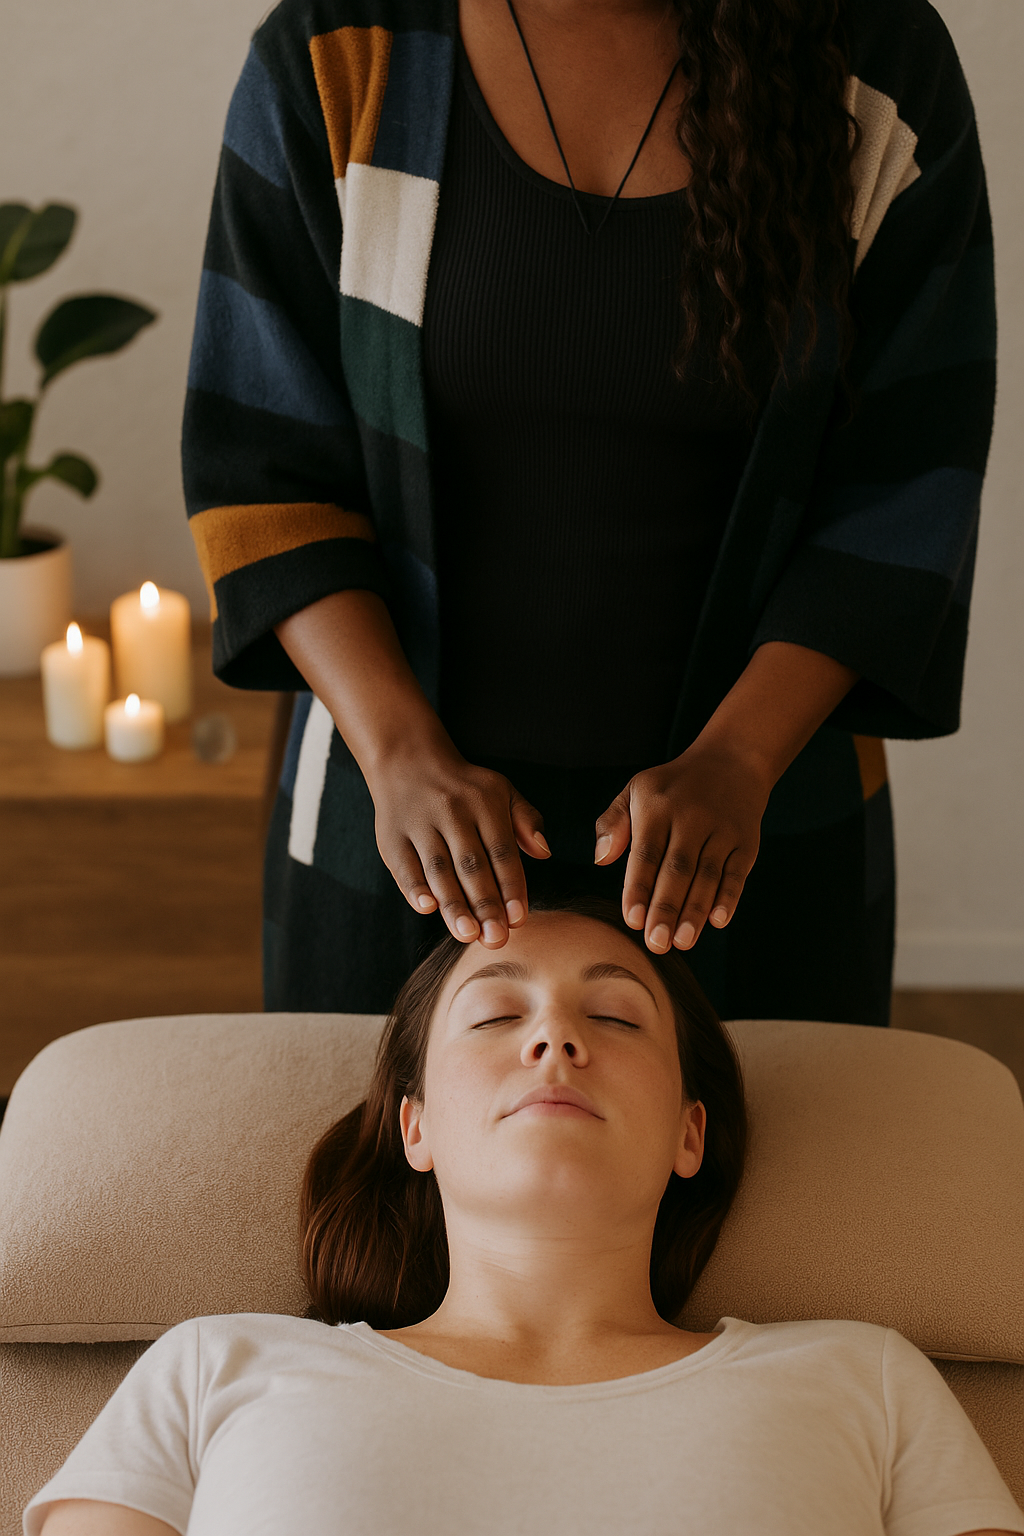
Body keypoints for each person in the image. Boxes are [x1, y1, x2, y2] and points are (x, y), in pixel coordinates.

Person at [180, 0, 995, 1029]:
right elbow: (262, 467)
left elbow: (906, 476)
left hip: (753, 828)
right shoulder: (337, 53)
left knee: (778, 1182)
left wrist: (738, 761)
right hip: (399, 827)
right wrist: (398, 750)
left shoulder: (874, 61)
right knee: (384, 1189)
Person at [25, 898, 1024, 1534]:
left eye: (617, 1016)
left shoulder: (864, 1378)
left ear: (689, 1133)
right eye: (498, 1016)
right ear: (414, 1127)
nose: (553, 1037)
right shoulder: (213, 1369)